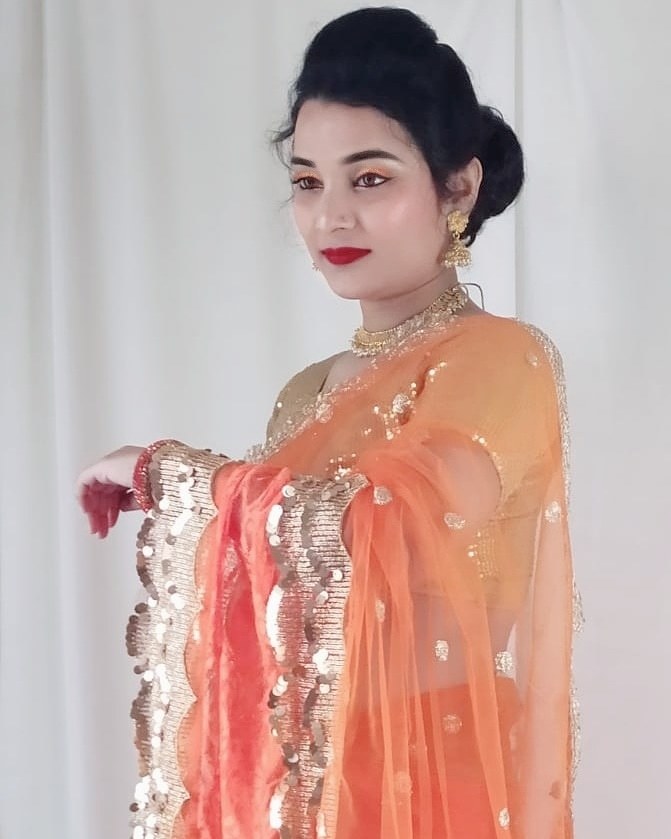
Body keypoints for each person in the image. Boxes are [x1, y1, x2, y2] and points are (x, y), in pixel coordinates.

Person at [75, 7, 583, 838]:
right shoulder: (308, 390)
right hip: (298, 776)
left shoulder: (498, 357)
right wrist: (203, 509)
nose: (330, 216)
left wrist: (172, 477)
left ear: (456, 188)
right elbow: (281, 588)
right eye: (308, 182)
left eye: (369, 179)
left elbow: (390, 528)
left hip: (432, 788)